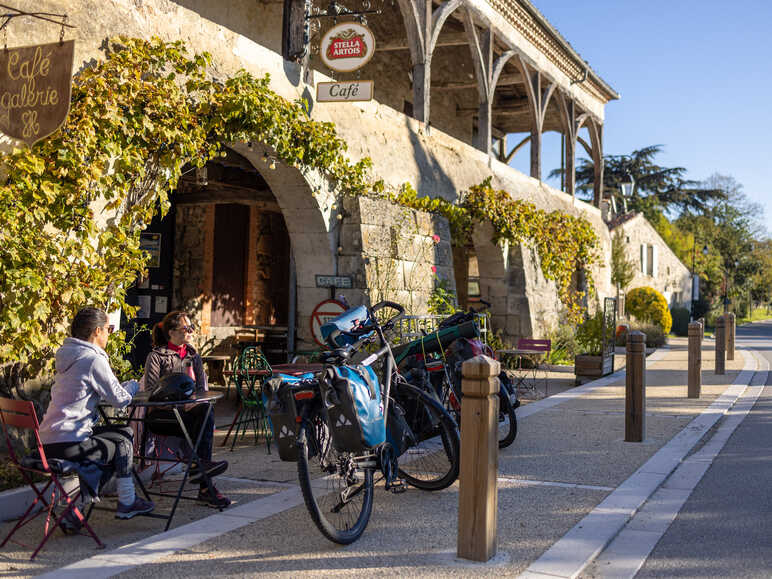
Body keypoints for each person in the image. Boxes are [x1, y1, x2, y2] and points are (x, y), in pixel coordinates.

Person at [39, 307, 155, 520]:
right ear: (97, 331)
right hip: (69, 443)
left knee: (123, 433)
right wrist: (133, 386)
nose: (110, 334)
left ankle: (78, 510)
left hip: (48, 441)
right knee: (122, 443)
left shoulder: (69, 356)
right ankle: (124, 502)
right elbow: (120, 400)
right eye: (109, 329)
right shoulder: (93, 359)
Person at [144, 310, 231, 508]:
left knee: (205, 412)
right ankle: (202, 474)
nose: (192, 331)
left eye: (192, 327)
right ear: (172, 332)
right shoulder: (157, 356)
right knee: (201, 422)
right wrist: (178, 403)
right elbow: (150, 392)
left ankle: (200, 472)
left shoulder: (193, 355)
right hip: (162, 415)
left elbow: (201, 388)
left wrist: (195, 401)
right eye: (187, 328)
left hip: (188, 413)